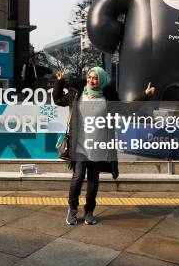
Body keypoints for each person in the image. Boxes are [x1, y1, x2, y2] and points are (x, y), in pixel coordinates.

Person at [53, 67, 155, 226]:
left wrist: (145, 95)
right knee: (78, 177)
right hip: (80, 145)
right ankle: (72, 210)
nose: (91, 81)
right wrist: (59, 82)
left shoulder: (108, 98)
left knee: (93, 179)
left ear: (101, 80)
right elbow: (58, 100)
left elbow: (127, 109)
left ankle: (89, 212)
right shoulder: (76, 93)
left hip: (99, 146)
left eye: (95, 78)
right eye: (89, 77)